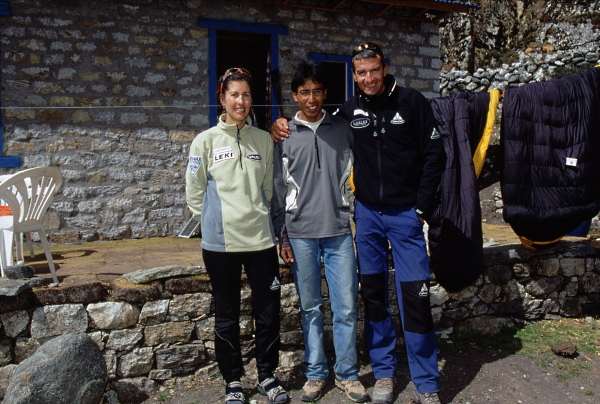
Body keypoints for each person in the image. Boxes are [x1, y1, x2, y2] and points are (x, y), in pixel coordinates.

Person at [271, 43, 446, 404]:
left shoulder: (412, 102)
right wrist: (279, 123)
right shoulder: (348, 113)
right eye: (361, 72)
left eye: (374, 70)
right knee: (374, 295)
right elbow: (308, 127)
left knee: (415, 297)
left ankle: (427, 383)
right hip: (366, 215)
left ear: (384, 69)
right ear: (353, 76)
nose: (369, 78)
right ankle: (383, 375)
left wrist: (421, 207)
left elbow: (435, 155)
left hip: (404, 216)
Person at [186, 68, 288, 404]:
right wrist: (213, 220)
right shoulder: (205, 140)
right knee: (227, 314)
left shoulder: (263, 139)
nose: (240, 101)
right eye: (234, 95)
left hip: (260, 241)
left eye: (245, 95)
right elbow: (194, 190)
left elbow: (269, 190)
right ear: (222, 98)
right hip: (220, 244)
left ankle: (267, 376)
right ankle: (232, 381)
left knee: (268, 311)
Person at [271, 60, 369, 403]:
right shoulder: (284, 134)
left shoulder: (342, 128)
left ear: (325, 93)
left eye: (316, 91)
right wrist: (281, 234)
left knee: (345, 307)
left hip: (339, 231)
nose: (311, 99)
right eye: (304, 92)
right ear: (295, 96)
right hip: (299, 235)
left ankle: (347, 374)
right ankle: (315, 375)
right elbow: (278, 190)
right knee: (310, 307)